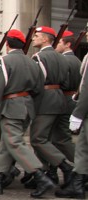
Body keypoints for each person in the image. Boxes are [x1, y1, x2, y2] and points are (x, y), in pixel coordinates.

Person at [0, 29, 55, 197]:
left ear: (7, 44)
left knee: (14, 142)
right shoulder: (32, 62)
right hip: (27, 107)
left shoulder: (4, 60)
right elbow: (38, 89)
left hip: (11, 106)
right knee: (8, 145)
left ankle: (39, 175)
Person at [29, 26, 73, 186]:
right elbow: (66, 83)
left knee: (38, 139)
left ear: (46, 39)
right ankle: (49, 172)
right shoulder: (62, 57)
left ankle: (65, 166)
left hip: (45, 100)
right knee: (52, 138)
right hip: (60, 99)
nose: (34, 38)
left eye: (37, 36)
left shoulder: (38, 57)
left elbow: (37, 83)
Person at [55, 30, 88, 199]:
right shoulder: (81, 58)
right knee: (82, 147)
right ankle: (78, 184)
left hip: (80, 106)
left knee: (80, 146)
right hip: (78, 102)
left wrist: (79, 113)